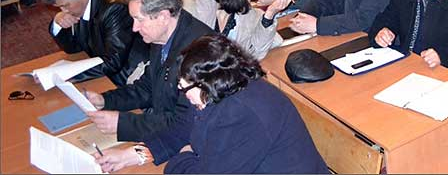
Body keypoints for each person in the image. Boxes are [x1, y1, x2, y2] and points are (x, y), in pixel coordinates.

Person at [93, 34, 327, 174]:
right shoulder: (219, 91)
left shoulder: (240, 113)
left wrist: (181, 160)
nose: (182, 93)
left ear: (207, 83)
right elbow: (181, 130)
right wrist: (134, 154)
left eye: (184, 87)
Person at [84, 0, 214, 142]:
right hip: (165, 129)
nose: (134, 28)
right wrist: (106, 100)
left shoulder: (200, 55)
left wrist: (122, 124)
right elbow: (147, 87)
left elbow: (184, 124)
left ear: (163, 17)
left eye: (139, 19)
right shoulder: (161, 36)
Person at [41, 0, 135, 86]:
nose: (63, 11)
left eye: (65, 5)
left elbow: (113, 62)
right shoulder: (80, 4)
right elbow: (73, 48)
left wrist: (66, 75)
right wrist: (58, 22)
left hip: (126, 76)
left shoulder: (114, 9)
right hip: (100, 67)